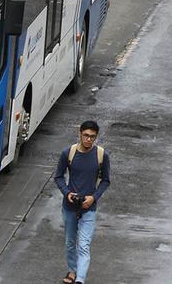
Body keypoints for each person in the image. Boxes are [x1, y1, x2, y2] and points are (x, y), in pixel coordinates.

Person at [54, 120, 111, 284]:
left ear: (96, 137)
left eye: (92, 137)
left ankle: (80, 279)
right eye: (85, 135)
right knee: (70, 243)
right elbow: (58, 177)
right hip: (69, 207)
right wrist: (67, 194)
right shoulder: (68, 153)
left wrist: (93, 197)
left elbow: (106, 181)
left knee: (84, 245)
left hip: (89, 208)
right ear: (80, 134)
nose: (88, 140)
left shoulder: (101, 155)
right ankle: (72, 271)